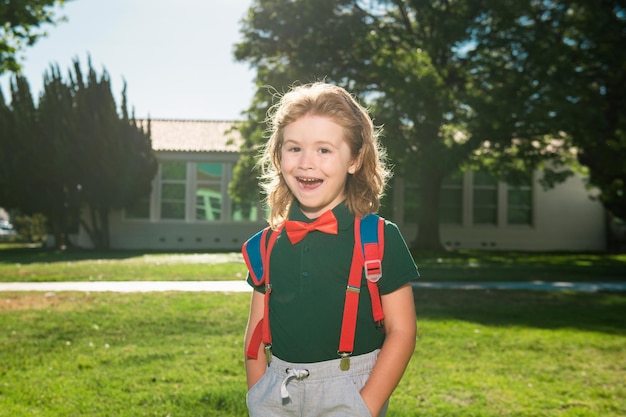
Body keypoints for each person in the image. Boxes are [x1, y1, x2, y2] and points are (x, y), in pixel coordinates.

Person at [243, 82, 419, 417]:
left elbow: (403, 330)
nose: (307, 163)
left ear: (354, 159)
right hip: (276, 392)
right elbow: (254, 335)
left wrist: (364, 406)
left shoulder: (380, 238)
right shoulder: (264, 245)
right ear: (278, 156)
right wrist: (257, 395)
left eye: (324, 150)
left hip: (350, 391)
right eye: (294, 148)